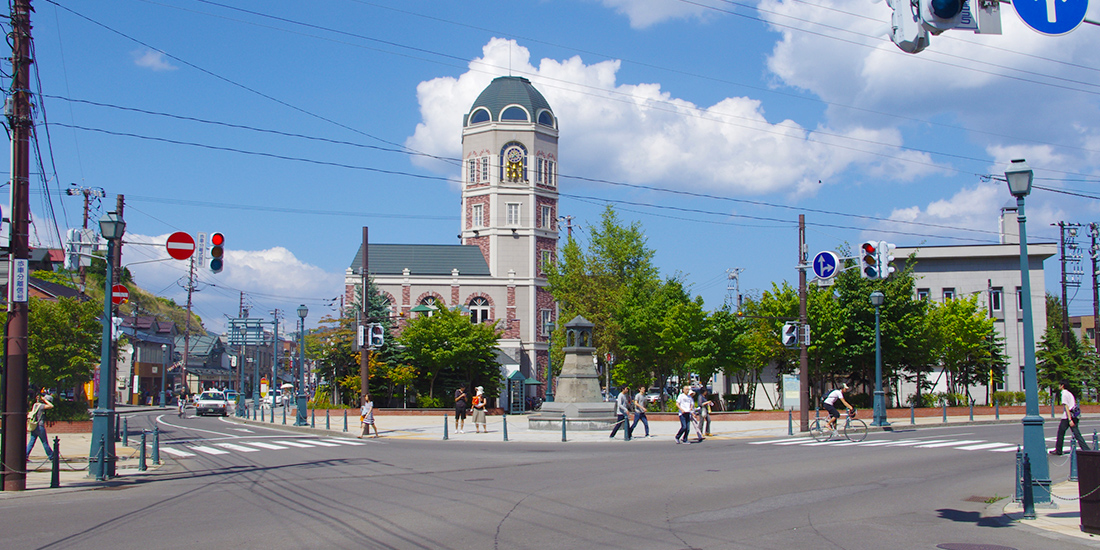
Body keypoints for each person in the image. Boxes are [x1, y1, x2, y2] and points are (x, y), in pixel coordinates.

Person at [1052, 381, 1089, 455]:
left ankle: (1058, 451)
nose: (1058, 386)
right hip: (1073, 416)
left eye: (1059, 385)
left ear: (1062, 385)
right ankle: (1086, 449)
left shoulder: (1064, 394)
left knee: (1060, 433)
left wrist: (1069, 419)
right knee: (1077, 434)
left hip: (1067, 417)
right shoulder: (1069, 393)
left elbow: (1066, 407)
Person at [26, 393, 55, 461]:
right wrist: (45, 400)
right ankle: (51, 456)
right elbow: (51, 406)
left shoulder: (36, 405)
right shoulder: (42, 406)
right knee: (44, 442)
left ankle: (25, 455)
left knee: (31, 442)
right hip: (40, 426)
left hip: (34, 425)